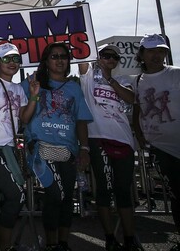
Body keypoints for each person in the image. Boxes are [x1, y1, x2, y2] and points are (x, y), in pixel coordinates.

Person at [22, 42, 93, 251]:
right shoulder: (31, 83)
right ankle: (51, 243)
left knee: (66, 196)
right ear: (46, 61)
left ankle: (62, 243)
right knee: (55, 194)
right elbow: (12, 104)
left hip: (68, 149)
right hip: (40, 148)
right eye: (54, 56)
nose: (60, 60)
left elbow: (81, 120)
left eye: (63, 56)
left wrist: (85, 149)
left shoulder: (74, 87)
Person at [78, 44, 141, 251]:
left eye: (115, 57)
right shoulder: (88, 77)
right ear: (98, 57)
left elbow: (131, 98)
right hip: (98, 139)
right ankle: (110, 238)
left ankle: (130, 238)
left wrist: (110, 81)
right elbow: (81, 54)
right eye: (106, 55)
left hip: (123, 140)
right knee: (104, 190)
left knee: (124, 190)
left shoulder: (123, 80)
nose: (111, 59)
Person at [0, 42, 40, 251]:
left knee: (13, 197)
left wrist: (33, 96)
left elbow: (24, 118)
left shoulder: (18, 88)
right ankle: (3, 247)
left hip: (11, 149)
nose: (12, 63)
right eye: (6, 59)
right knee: (16, 195)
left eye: (15, 59)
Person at [132, 34, 180, 251]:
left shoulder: (176, 74)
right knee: (177, 195)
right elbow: (137, 109)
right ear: (141, 54)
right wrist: (140, 135)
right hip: (161, 148)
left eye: (160, 50)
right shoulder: (137, 81)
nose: (156, 55)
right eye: (151, 51)